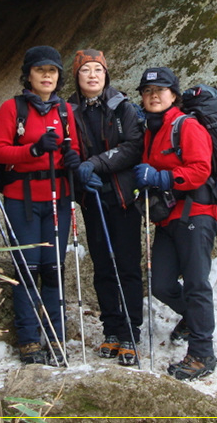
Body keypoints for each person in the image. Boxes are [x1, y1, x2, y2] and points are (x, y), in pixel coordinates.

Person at [0, 45, 82, 366]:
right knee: (27, 270)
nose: (47, 75)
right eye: (41, 70)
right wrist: (32, 150)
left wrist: (74, 159)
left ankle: (55, 335)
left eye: (53, 70)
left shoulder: (66, 111)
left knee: (53, 269)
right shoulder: (11, 108)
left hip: (58, 196)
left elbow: (77, 151)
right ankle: (29, 340)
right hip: (23, 198)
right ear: (28, 74)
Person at [133, 66, 217, 381]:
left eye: (160, 90)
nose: (154, 95)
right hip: (168, 218)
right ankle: (193, 319)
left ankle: (202, 353)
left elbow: (200, 169)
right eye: (147, 91)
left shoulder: (187, 125)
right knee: (161, 284)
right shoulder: (151, 131)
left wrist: (161, 177)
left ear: (174, 94)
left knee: (197, 283)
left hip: (197, 214)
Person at [67, 49, 144, 366]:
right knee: (102, 266)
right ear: (77, 76)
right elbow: (66, 150)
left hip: (122, 197)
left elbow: (133, 147)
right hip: (91, 198)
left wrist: (95, 165)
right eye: (86, 70)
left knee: (127, 264)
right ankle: (111, 329)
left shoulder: (122, 107)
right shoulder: (69, 111)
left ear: (106, 74)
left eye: (98, 69)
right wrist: (79, 178)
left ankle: (130, 333)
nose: (93, 75)